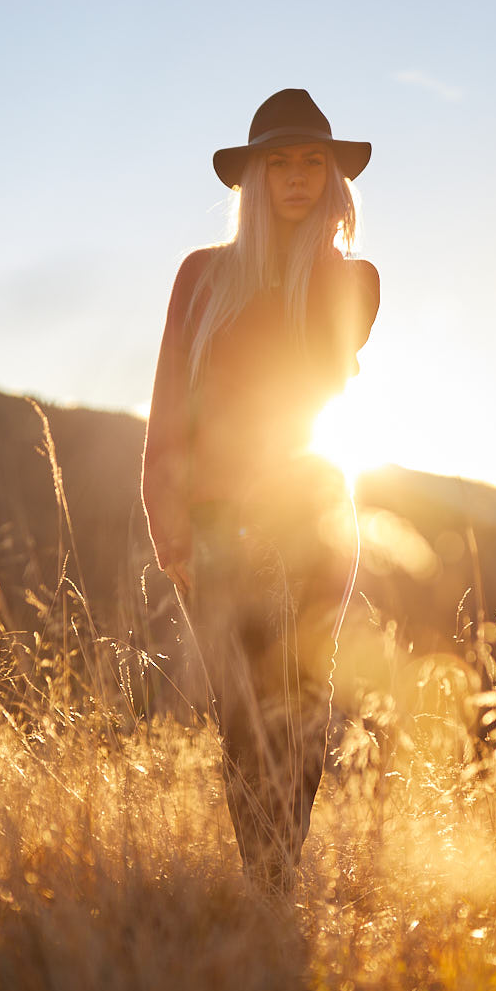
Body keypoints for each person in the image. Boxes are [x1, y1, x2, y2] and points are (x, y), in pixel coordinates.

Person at [141, 88, 380, 895]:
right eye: (279, 162)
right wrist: (167, 529)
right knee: (243, 721)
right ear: (252, 177)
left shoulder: (352, 280)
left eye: (314, 161)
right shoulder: (200, 278)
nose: (297, 177)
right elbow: (170, 406)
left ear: (333, 179)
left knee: (302, 714)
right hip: (215, 530)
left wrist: (309, 249)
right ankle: (266, 882)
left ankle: (277, 883)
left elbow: (318, 368)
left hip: (311, 519)